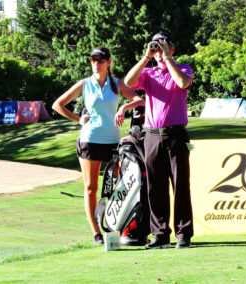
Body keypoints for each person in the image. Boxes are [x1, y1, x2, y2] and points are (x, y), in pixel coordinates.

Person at [52, 46, 145, 244]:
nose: (96, 63)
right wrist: (78, 119)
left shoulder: (116, 84)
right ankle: (96, 233)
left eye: (100, 60)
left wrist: (124, 107)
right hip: (90, 139)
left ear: (108, 62)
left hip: (112, 140)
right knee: (91, 187)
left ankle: (115, 225)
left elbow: (140, 100)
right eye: (93, 59)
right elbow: (57, 105)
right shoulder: (85, 84)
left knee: (116, 187)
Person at [124, 32, 194, 249]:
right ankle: (160, 235)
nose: (158, 51)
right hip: (152, 135)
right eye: (156, 46)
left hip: (176, 135)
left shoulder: (182, 68)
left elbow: (182, 83)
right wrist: (147, 56)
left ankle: (183, 235)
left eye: (163, 46)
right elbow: (128, 82)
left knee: (180, 185)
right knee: (155, 187)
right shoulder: (149, 72)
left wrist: (167, 59)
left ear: (172, 49)